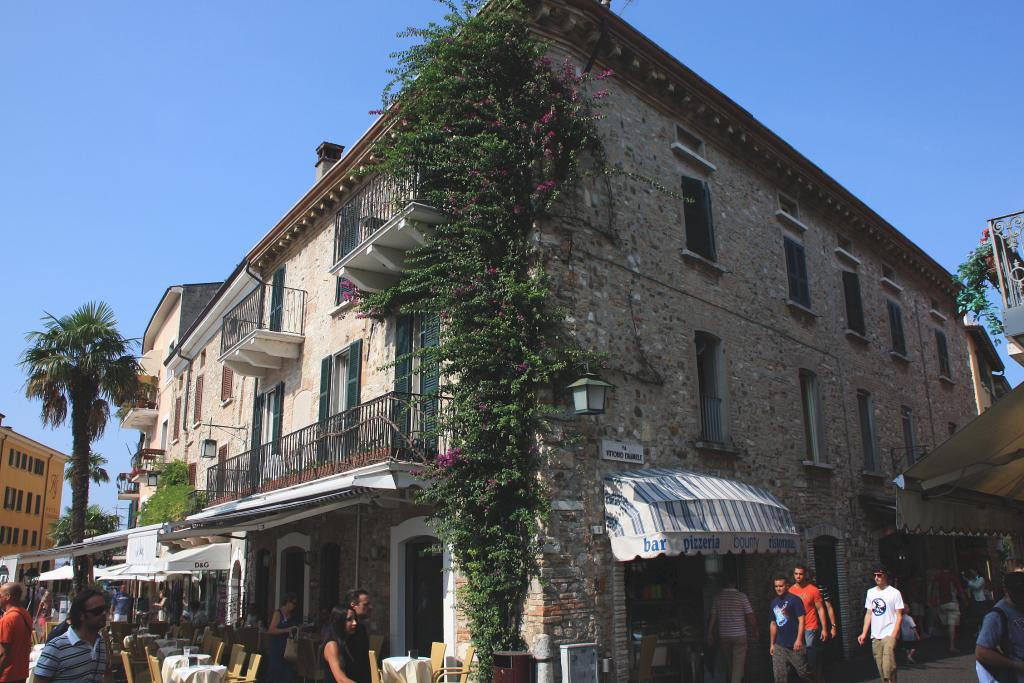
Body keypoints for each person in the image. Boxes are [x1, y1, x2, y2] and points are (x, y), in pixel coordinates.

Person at [32, 588, 107, 683]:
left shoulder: (100, 643)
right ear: (81, 615)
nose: (104, 613)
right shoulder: (56, 647)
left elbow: (105, 675)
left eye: (105, 609)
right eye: (98, 611)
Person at [975, 570, 1024, 682]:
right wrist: (1016, 665)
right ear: (1006, 591)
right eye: (1018, 592)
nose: (1022, 596)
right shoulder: (996, 616)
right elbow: (981, 652)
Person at [857, 566, 903, 683]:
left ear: (885, 576)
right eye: (875, 575)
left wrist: (894, 635)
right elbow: (869, 613)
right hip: (876, 635)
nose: (876, 578)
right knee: (881, 667)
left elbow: (899, 615)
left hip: (889, 633)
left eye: (879, 575)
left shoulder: (894, 593)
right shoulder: (870, 592)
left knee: (888, 665)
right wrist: (864, 633)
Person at [707, 579, 758, 683]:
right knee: (738, 666)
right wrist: (755, 629)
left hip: (724, 636)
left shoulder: (718, 597)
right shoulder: (741, 596)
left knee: (730, 664)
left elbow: (713, 616)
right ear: (734, 583)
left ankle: (737, 679)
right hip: (739, 635)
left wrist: (709, 633)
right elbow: (750, 616)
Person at [790, 564, 827, 683]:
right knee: (799, 659)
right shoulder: (790, 591)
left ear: (804, 574)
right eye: (796, 574)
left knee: (811, 658)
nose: (798, 576)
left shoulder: (813, 590)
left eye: (800, 574)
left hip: (810, 627)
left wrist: (825, 629)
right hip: (796, 628)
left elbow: (820, 609)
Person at [769, 576, 810, 682]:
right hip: (779, 645)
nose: (778, 588)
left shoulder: (795, 600)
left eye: (781, 586)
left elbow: (802, 620)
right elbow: (773, 623)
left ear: (787, 586)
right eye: (776, 586)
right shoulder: (774, 603)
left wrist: (799, 639)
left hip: (795, 644)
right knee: (779, 676)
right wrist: (772, 644)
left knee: (804, 673)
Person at [0, 582, 33, 683]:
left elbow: (4, 653)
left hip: (7, 675)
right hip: (21, 673)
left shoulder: (8, 619)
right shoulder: (25, 614)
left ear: (8, 597)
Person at [930, 565, 967, 653]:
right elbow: (959, 590)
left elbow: (933, 591)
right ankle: (952, 645)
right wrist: (965, 600)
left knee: (945, 623)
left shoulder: (937, 578)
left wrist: (932, 602)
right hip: (952, 603)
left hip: (941, 604)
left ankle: (946, 642)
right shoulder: (952, 577)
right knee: (952, 624)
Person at [321, 607, 360, 683]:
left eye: (355, 619)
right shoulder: (332, 645)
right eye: (349, 619)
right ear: (339, 622)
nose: (355, 623)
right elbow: (341, 679)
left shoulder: (348, 642)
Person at [266, 593, 299, 683]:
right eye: (293, 603)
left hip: (287, 649)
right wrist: (286, 630)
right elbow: (271, 630)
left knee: (287, 674)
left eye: (296, 604)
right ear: (287, 602)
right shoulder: (278, 613)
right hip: (277, 646)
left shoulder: (291, 616)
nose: (294, 606)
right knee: (275, 672)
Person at [343, 589, 372, 683]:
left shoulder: (361, 629)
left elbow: (365, 661)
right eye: (365, 604)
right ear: (353, 605)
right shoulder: (342, 630)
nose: (370, 607)